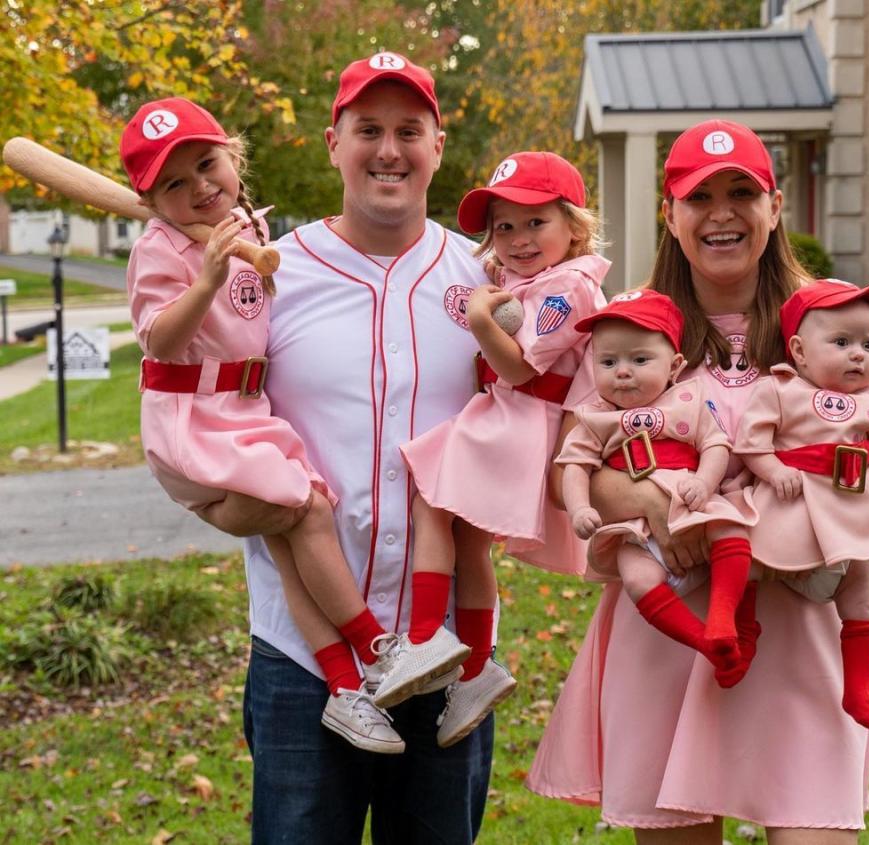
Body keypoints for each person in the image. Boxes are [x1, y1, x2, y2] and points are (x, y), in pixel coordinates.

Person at [527, 119, 869, 842]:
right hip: (678, 629)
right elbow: (573, 465)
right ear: (670, 214)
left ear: (775, 207)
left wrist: (798, 507)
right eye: (700, 196)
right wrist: (657, 507)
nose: (721, 212)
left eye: (741, 192)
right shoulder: (629, 324)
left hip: (802, 624)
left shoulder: (832, 319)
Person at [190, 52, 495, 843]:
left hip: (442, 653)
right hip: (303, 656)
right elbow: (203, 414)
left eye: (407, 130)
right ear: (333, 143)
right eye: (368, 130)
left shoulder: (486, 283)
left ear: (436, 143)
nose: (388, 150)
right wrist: (220, 499)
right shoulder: (270, 274)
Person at [121, 96, 422, 756]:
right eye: (174, 184)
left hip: (244, 414)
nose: (199, 187)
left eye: (207, 165)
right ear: (151, 201)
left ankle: (346, 684)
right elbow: (161, 342)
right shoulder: (159, 250)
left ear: (233, 155)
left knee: (293, 524)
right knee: (307, 510)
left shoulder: (247, 225)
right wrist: (205, 280)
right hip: (195, 416)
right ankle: (375, 648)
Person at [382, 151, 608, 745]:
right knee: (469, 540)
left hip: (520, 418)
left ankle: (426, 636)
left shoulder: (569, 289)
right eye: (503, 227)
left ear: (574, 227)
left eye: (536, 222)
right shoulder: (531, 280)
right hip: (512, 419)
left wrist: (482, 319)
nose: (517, 239)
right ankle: (477, 671)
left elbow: (519, 369)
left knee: (429, 498)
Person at [736, 279, 869, 730]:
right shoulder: (780, 389)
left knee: (862, 595)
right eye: (841, 342)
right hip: (790, 506)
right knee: (748, 565)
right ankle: (740, 633)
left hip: (850, 512)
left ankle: (861, 685)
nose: (859, 354)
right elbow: (750, 444)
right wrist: (774, 471)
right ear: (798, 349)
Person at [556, 290, 757, 680]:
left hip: (691, 499)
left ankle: (723, 620)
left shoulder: (686, 401)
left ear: (675, 366)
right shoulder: (596, 418)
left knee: (733, 533)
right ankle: (703, 641)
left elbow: (715, 444)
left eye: (640, 360)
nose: (623, 371)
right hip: (635, 527)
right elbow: (573, 467)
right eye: (609, 362)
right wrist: (581, 507)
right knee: (636, 578)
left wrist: (704, 480)